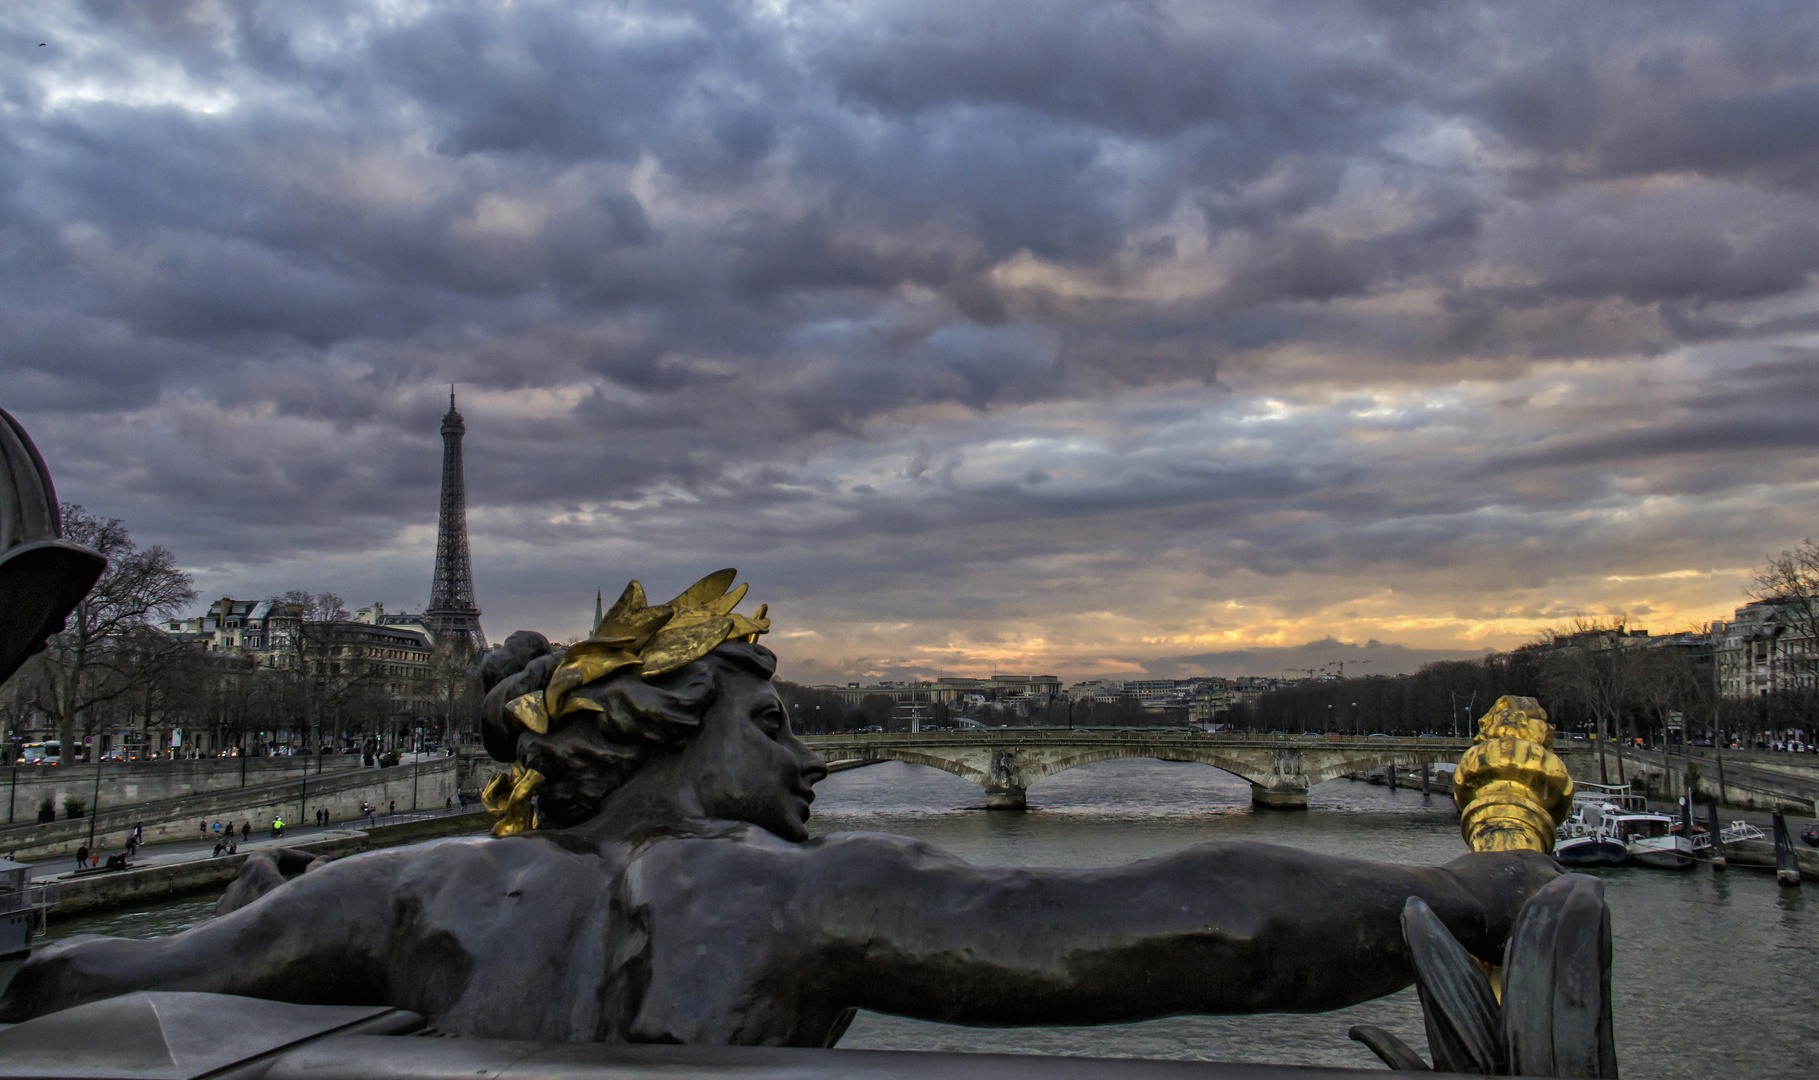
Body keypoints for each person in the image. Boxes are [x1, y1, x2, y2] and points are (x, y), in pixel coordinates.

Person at [0, 575, 1557, 1044]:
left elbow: (76, 985)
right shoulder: (774, 892)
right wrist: (1490, 868)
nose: (810, 762)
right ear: (675, 726)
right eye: (781, 725)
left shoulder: (414, 891)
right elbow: (1184, 923)